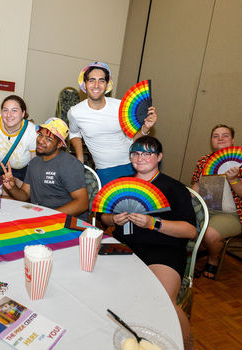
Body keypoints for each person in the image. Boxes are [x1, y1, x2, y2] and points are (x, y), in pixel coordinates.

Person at [100, 136, 196, 350]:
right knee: (93, 281)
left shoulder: (174, 188)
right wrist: (113, 219)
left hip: (163, 251)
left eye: (147, 153)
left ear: (159, 157)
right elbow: (103, 218)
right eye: (135, 153)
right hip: (124, 247)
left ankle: (187, 346)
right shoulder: (122, 184)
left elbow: (190, 231)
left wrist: (155, 223)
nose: (140, 157)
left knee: (161, 299)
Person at [68, 61, 158, 185]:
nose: (96, 85)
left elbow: (132, 139)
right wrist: (80, 158)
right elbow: (74, 133)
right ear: (85, 84)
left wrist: (145, 128)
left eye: (101, 80)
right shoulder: (75, 112)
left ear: (107, 85)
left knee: (139, 203)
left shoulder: (121, 106)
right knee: (111, 204)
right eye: (91, 80)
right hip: (106, 170)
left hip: (134, 164)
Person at [191, 124, 242, 279]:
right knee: (182, 223)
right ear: (211, 141)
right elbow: (196, 184)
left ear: (233, 140)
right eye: (216, 136)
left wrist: (233, 180)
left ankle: (213, 259)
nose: (220, 138)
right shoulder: (203, 161)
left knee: (209, 233)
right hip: (207, 209)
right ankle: (188, 260)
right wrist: (189, 199)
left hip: (234, 214)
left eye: (225, 135)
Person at [1, 117, 89, 218]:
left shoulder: (70, 164)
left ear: (60, 144)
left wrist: (48, 217)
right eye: (40, 135)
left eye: (48, 139)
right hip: (41, 218)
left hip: (67, 222)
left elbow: (82, 203)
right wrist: (12, 188)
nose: (41, 141)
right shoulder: (34, 163)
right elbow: (25, 195)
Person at [0, 95, 37, 187]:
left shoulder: (32, 131)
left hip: (19, 174)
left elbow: (35, 163)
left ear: (23, 113)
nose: (9, 115)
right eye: (5, 110)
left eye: (14, 110)